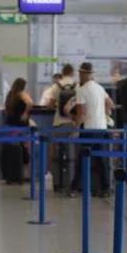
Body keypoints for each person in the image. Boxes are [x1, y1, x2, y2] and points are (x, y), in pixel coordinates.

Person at [71, 62, 114, 197]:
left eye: (80, 73)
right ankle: (105, 188)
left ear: (83, 74)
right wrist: (103, 113)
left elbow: (81, 114)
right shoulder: (100, 88)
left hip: (89, 130)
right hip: (102, 129)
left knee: (82, 159)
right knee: (102, 160)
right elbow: (110, 104)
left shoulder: (81, 90)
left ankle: (74, 188)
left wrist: (75, 129)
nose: (79, 76)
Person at [47, 64, 78, 194]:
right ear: (72, 73)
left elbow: (50, 105)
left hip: (58, 124)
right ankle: (70, 183)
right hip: (73, 124)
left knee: (57, 155)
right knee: (72, 155)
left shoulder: (56, 86)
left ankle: (57, 184)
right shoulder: (77, 86)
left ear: (62, 72)